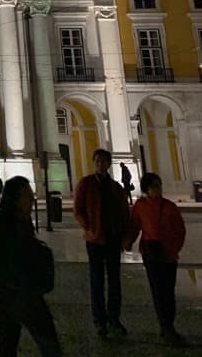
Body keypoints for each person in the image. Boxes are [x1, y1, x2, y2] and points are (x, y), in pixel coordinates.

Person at [0, 176, 60, 356]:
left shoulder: (22, 219)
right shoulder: (2, 221)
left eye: (31, 196)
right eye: (27, 196)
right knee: (25, 341)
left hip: (24, 292)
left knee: (19, 342)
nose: (31, 200)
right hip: (12, 295)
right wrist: (7, 275)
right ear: (15, 198)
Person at [125, 172, 186, 347]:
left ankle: (168, 324)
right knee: (158, 291)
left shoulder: (170, 207)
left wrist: (174, 249)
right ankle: (166, 326)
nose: (157, 189)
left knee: (168, 291)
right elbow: (135, 225)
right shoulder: (141, 206)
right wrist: (128, 240)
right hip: (151, 254)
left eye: (158, 186)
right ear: (146, 189)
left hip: (169, 255)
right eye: (153, 186)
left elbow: (180, 230)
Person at [74, 148, 130, 339]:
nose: (100, 164)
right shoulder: (86, 183)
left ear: (108, 164)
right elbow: (78, 209)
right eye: (97, 161)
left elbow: (124, 213)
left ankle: (114, 318)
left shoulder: (116, 187)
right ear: (94, 163)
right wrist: (88, 227)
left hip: (113, 239)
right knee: (96, 280)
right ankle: (100, 321)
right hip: (95, 239)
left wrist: (124, 236)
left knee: (115, 281)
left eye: (104, 161)